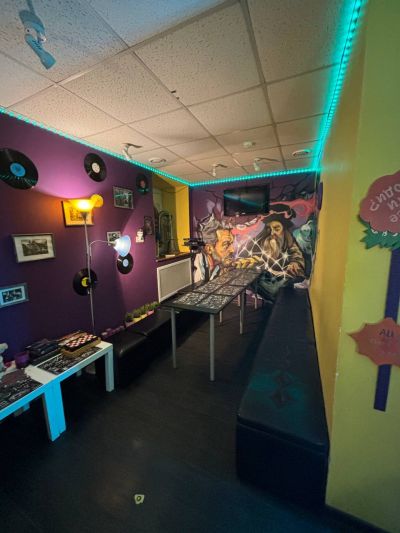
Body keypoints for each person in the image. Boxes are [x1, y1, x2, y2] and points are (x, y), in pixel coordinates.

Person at [238, 204, 305, 299]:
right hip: (264, 283)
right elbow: (244, 256)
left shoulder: (289, 242)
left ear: (284, 229)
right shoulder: (260, 241)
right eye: (269, 229)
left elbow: (297, 257)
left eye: (277, 228)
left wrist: (294, 264)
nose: (272, 233)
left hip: (281, 283)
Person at [193, 215, 235, 282]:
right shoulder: (199, 273)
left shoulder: (217, 266)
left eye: (231, 244)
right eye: (226, 245)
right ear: (209, 249)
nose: (232, 250)